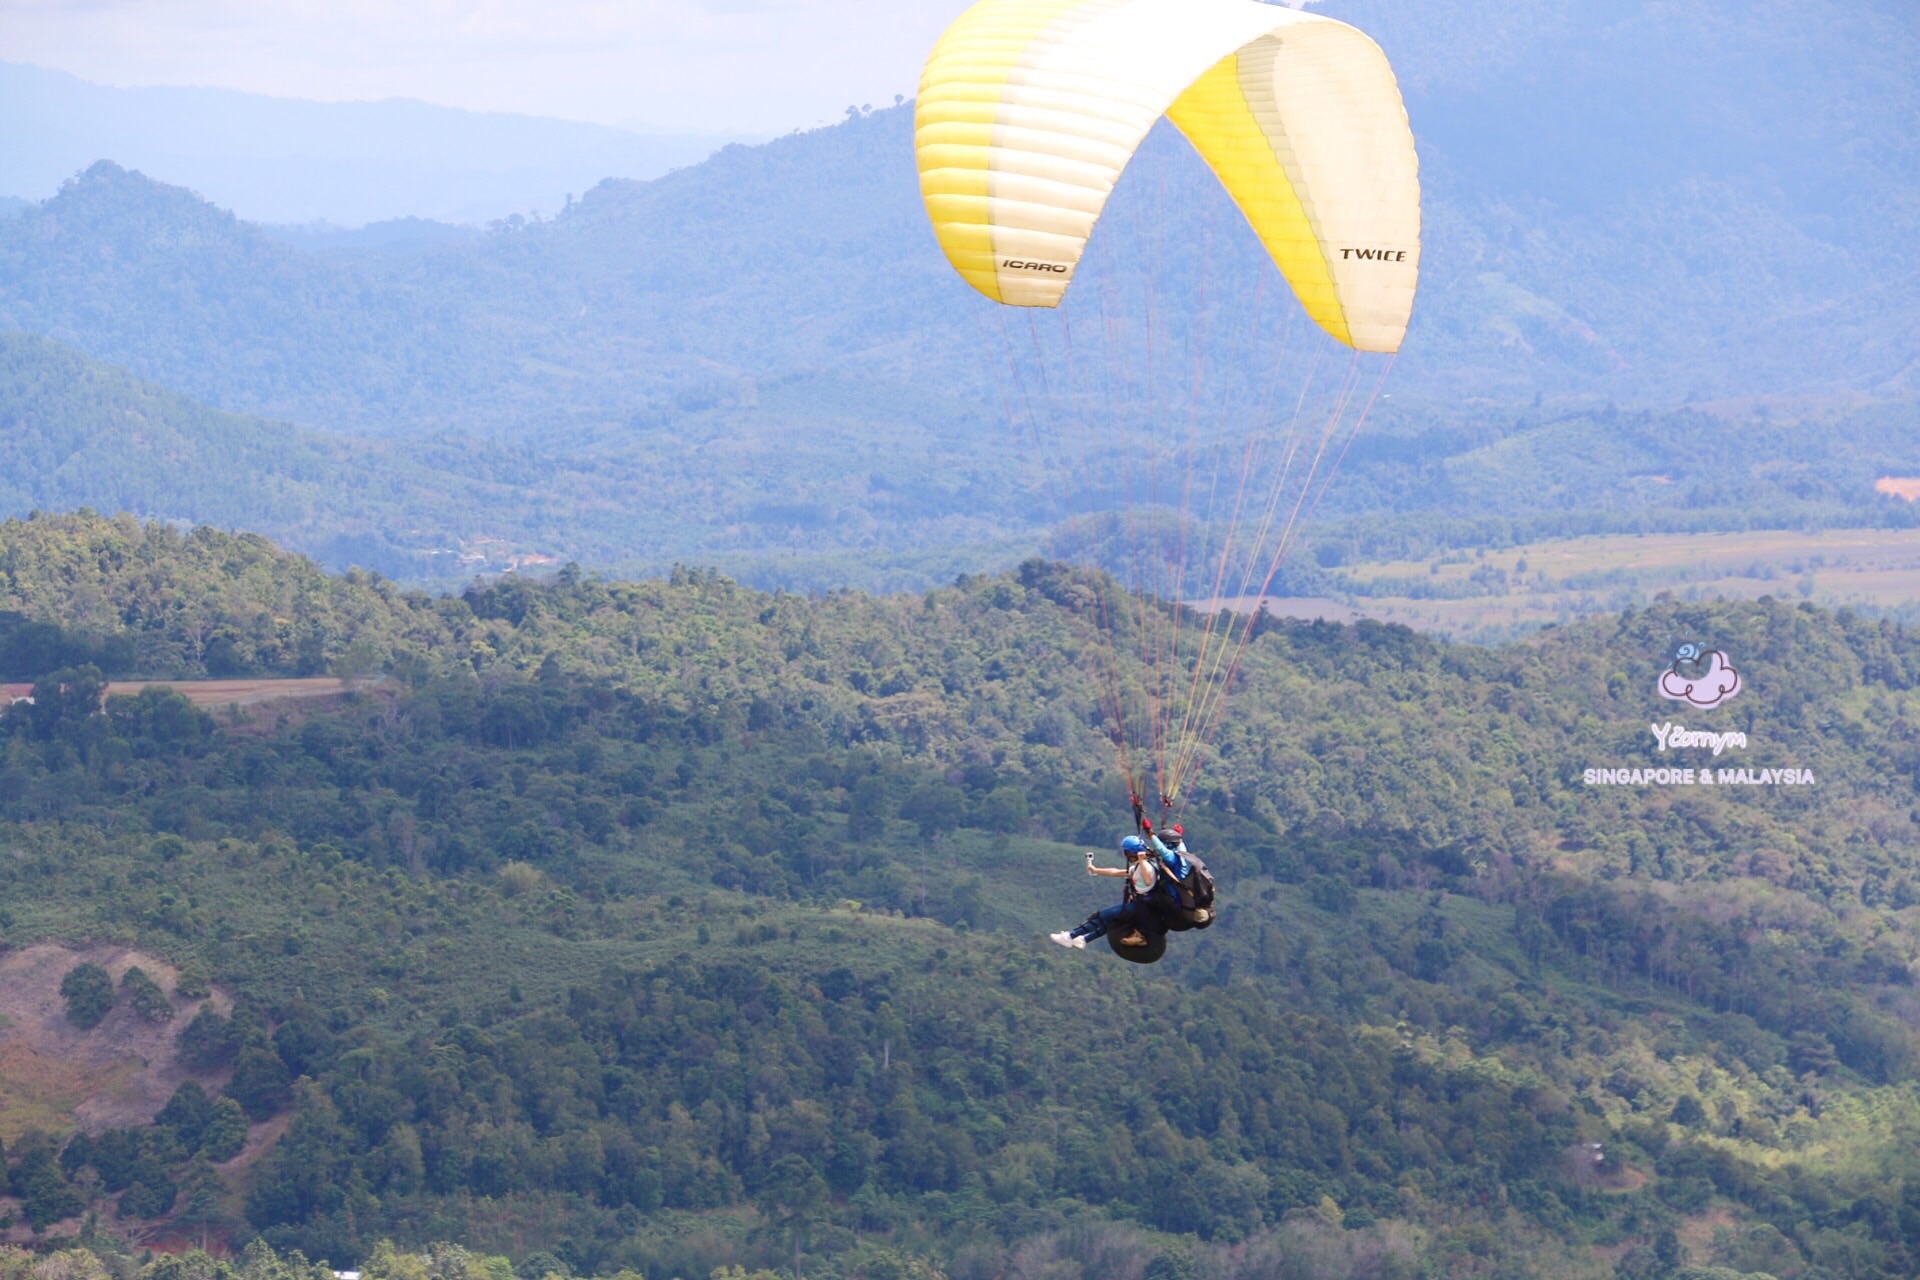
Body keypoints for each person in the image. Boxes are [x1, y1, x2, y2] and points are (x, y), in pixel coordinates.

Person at [1049, 835, 1167, 950]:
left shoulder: (1146, 866)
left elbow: (1147, 880)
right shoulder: (1137, 867)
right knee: (1110, 921)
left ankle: (1070, 936)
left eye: (1126, 852)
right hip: (1140, 906)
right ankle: (1084, 940)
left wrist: (1142, 861)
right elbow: (1115, 872)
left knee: (1101, 915)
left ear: (1131, 853)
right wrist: (1096, 870)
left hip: (1141, 907)